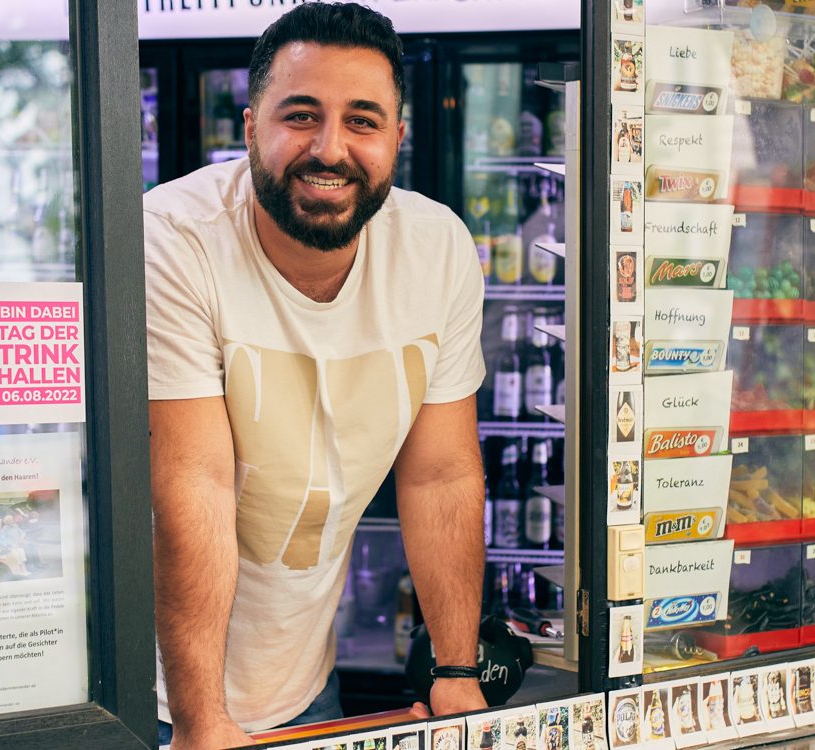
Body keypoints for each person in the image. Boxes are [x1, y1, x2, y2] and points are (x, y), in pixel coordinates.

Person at [143, 4, 489, 748]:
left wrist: (456, 669)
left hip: (303, 685)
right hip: (150, 697)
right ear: (248, 128)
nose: (329, 149)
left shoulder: (438, 249)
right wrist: (203, 723)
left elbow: (441, 476)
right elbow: (193, 483)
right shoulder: (172, 239)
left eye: (362, 121)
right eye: (300, 116)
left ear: (398, 137)